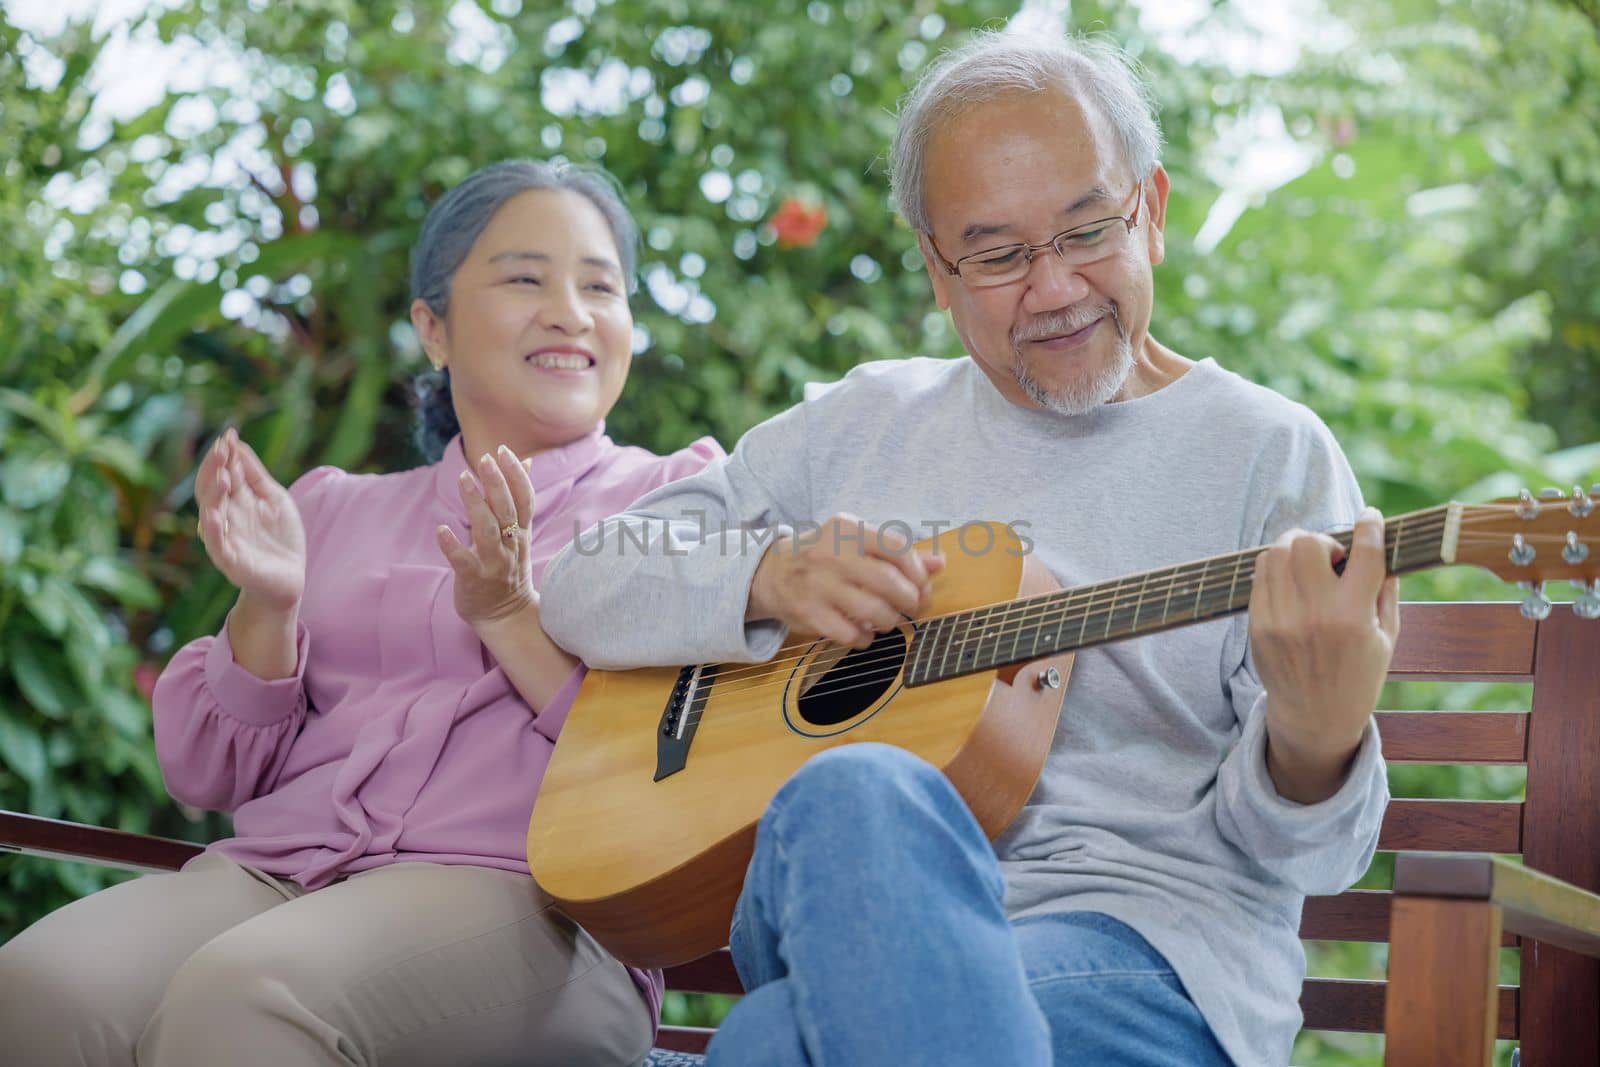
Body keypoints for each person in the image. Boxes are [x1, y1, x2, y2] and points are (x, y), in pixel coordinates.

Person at [539, 32, 1394, 1067]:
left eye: (1088, 230)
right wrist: (766, 574)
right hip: (837, 910)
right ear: (936, 271)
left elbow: (1317, 855)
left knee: (769, 1041)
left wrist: (1315, 729)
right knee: (856, 788)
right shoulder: (861, 421)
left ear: (1152, 211)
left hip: (1144, 959)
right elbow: (583, 583)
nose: (1053, 287)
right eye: (996, 255)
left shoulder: (1266, 452)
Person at [0, 159, 722, 1067]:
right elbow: (204, 770)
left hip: (540, 911)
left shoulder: (680, 503)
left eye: (600, 286)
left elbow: (684, 755)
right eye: (525, 277)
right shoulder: (334, 507)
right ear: (432, 327)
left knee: (249, 999)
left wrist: (509, 618)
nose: (570, 311)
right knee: (36, 991)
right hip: (285, 875)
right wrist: (269, 606)